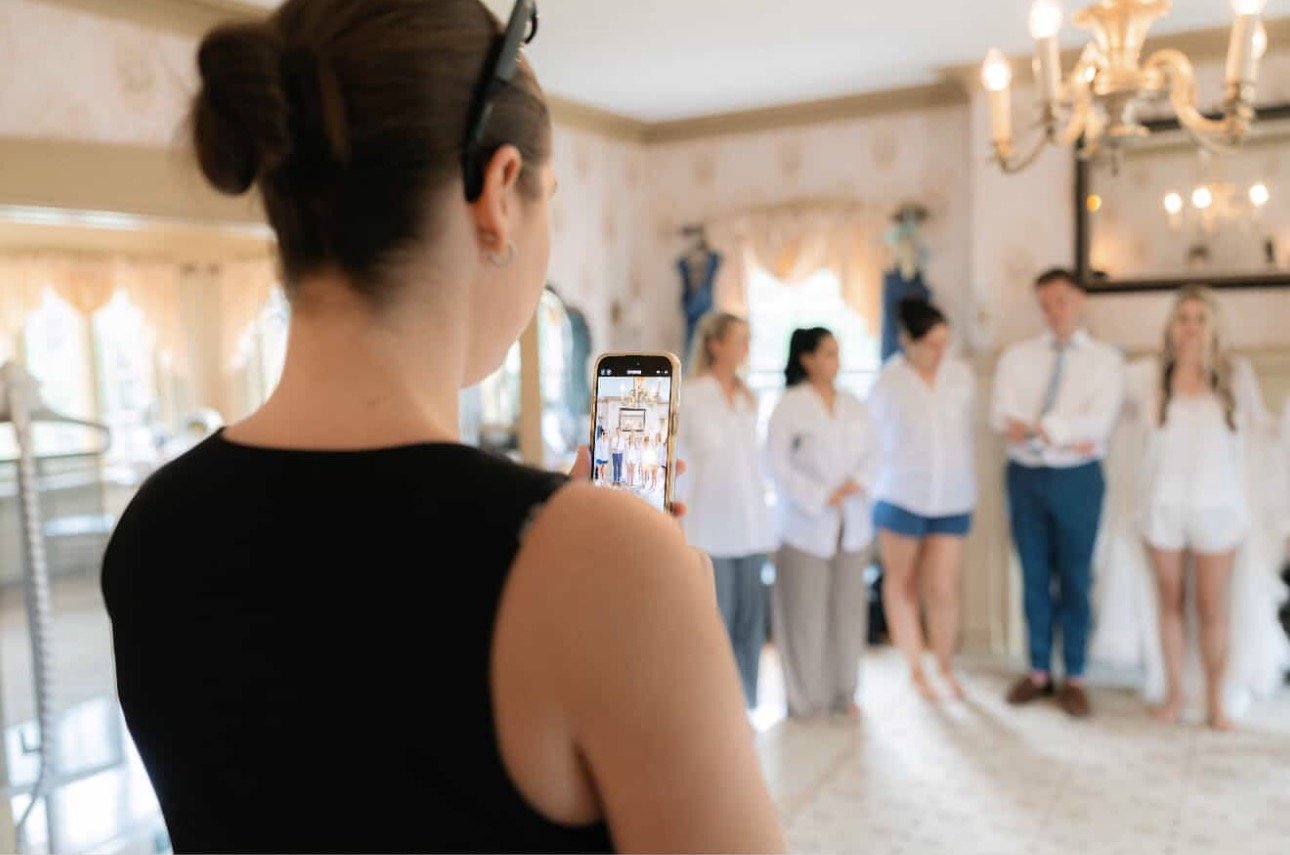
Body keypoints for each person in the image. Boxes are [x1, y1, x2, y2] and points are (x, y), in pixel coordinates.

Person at [100, 2, 786, 852]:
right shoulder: (609, 561)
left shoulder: (151, 531)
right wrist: (630, 576)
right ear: (499, 194)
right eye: (550, 202)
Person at [1092, 285, 1290, 729]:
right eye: (1183, 318)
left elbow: (1260, 437)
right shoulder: (1146, 378)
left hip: (1218, 509)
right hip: (1162, 507)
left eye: (1201, 319)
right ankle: (1175, 695)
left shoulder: (1235, 377)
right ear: (1171, 326)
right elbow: (1105, 401)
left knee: (1212, 607)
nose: (1192, 327)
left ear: (1212, 327)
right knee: (1169, 602)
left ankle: (1217, 701)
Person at [992, 267, 1125, 718]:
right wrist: (1062, 433)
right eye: (1045, 303)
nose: (1054, 311)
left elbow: (1099, 424)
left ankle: (1076, 675)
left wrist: (1038, 429)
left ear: (1080, 299)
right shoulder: (1016, 357)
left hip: (1079, 480)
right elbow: (1000, 418)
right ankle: (1037, 671)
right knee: (1032, 576)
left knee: (1075, 578)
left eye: (1061, 300)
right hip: (1025, 477)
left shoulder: (1106, 360)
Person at [867, 299, 976, 701]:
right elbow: (872, 445)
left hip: (952, 496)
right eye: (930, 344)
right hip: (900, 495)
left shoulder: (961, 376)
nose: (939, 352)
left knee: (943, 588)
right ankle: (915, 670)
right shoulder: (886, 383)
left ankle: (944, 666)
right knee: (902, 585)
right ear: (906, 341)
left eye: (944, 343)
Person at [767, 328, 876, 719]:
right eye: (828, 353)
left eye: (837, 353)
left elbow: (874, 454)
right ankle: (805, 700)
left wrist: (853, 484)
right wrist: (818, 494)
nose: (835, 361)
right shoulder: (790, 406)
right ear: (807, 358)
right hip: (804, 525)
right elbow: (777, 465)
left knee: (848, 613)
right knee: (804, 614)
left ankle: (844, 693)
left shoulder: (854, 404)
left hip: (852, 523)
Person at [679, 311, 777, 709]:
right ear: (715, 344)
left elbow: (756, 466)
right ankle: (717, 711)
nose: (746, 349)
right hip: (708, 529)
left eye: (749, 340)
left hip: (752, 527)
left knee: (750, 626)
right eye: (739, 339)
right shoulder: (691, 395)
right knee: (716, 624)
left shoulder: (748, 399)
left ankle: (745, 708)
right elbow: (682, 465)